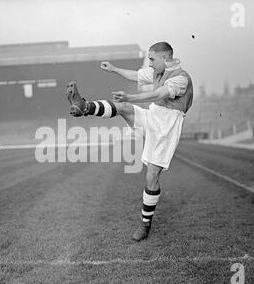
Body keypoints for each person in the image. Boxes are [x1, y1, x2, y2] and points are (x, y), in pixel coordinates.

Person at [66, 42, 193, 241]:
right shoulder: (158, 72)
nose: (150, 64)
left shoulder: (181, 78)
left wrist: (132, 96)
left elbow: (159, 94)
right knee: (123, 107)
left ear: (165, 58)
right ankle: (84, 107)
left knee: (151, 176)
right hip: (153, 115)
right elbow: (136, 75)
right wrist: (115, 70)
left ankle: (145, 224)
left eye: (152, 59)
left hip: (166, 128)